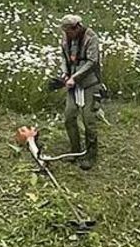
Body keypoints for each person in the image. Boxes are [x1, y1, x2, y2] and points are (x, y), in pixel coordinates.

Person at [45, 14, 106, 170]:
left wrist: (76, 77)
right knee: (69, 116)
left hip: (89, 83)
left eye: (68, 31)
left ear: (76, 27)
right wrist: (65, 73)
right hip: (72, 83)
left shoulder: (91, 38)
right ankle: (75, 150)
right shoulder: (66, 38)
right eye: (64, 31)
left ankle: (91, 155)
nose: (66, 34)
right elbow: (64, 57)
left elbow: (92, 62)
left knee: (88, 120)